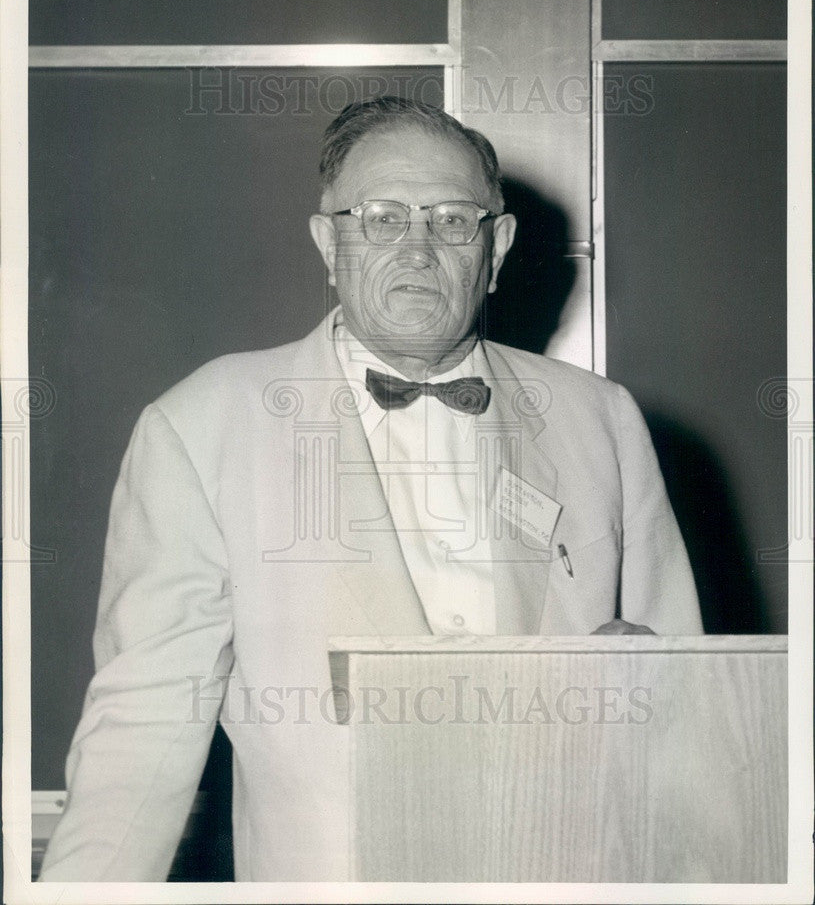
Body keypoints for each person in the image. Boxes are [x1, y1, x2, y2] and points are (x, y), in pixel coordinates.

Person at [39, 97, 702, 882]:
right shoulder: (204, 423)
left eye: (453, 220)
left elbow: (689, 710)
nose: (417, 251)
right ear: (329, 241)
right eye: (382, 218)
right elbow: (143, 726)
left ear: (497, 248)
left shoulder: (602, 419)